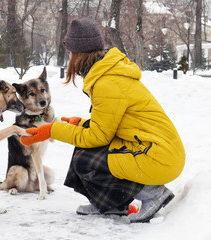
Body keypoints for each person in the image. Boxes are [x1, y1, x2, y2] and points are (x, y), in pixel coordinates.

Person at [20, 18, 185, 223]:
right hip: (152, 148)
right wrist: (80, 124)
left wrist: (52, 130)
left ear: (79, 52)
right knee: (83, 150)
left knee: (87, 160)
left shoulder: (107, 82)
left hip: (158, 156)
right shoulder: (107, 75)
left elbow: (98, 136)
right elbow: (110, 124)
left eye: (70, 50)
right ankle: (109, 205)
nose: (68, 55)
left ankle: (152, 193)